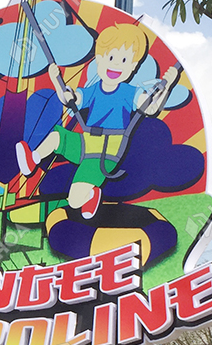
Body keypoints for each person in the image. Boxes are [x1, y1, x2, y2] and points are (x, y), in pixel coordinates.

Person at [16, 23, 179, 219]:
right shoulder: (93, 90)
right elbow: (70, 99)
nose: (116, 65)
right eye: (110, 58)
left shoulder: (129, 93)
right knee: (58, 136)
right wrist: (56, 81)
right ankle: (33, 159)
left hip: (104, 153)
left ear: (133, 66)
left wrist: (167, 86)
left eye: (124, 60)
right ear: (99, 59)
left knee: (74, 201)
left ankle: (91, 195)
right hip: (86, 143)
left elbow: (151, 108)